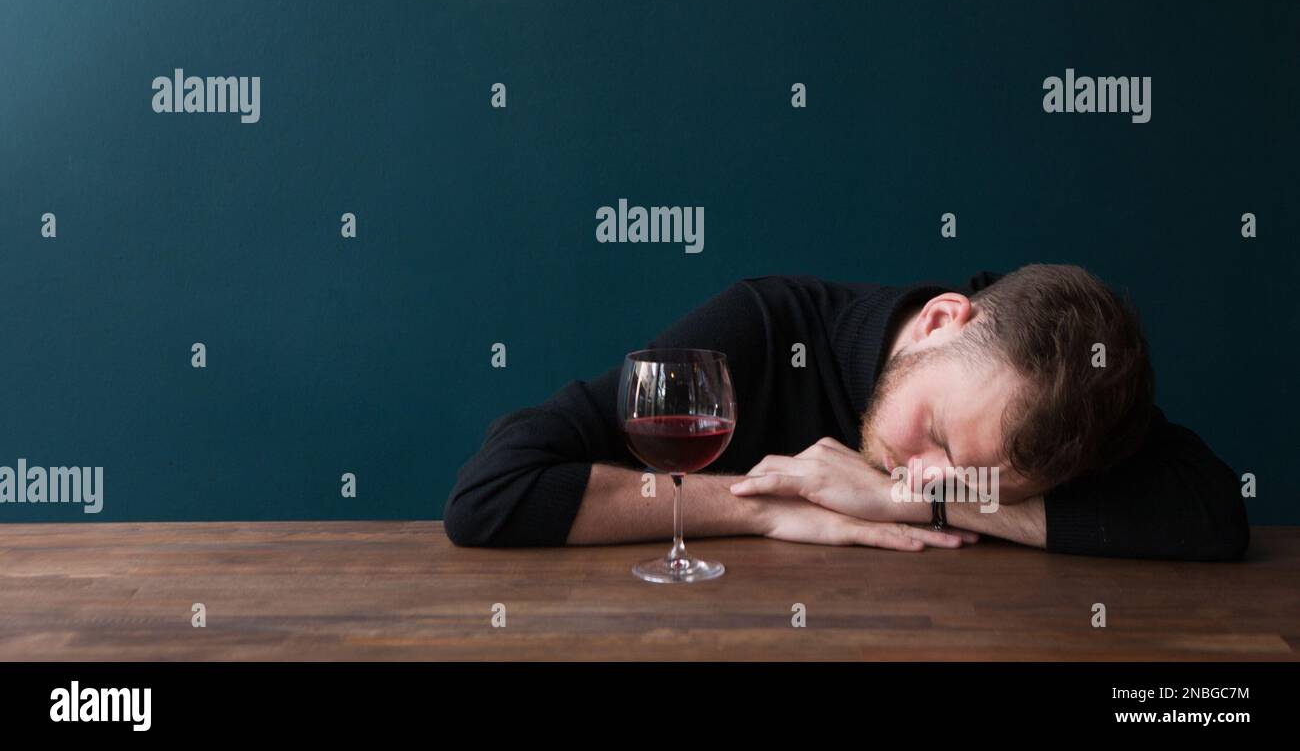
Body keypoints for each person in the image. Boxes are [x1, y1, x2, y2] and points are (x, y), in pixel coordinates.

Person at [443, 264, 1249, 560]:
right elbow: (495, 491)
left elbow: (1212, 518)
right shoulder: (764, 326)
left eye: (977, 480)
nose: (927, 469)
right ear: (940, 321)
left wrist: (914, 496)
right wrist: (769, 508)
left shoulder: (1065, 399)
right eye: (935, 437)